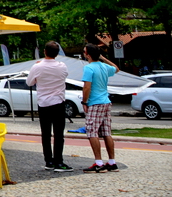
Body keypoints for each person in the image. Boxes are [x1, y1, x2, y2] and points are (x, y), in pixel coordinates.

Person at [27, 40, 72, 172]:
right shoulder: (62, 66)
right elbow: (64, 76)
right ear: (57, 54)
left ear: (44, 52)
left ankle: (48, 161)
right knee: (59, 134)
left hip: (43, 103)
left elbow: (29, 82)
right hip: (58, 102)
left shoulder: (37, 67)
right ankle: (59, 161)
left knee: (45, 133)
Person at [81, 43, 119, 172]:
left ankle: (98, 162)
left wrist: (84, 102)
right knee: (107, 132)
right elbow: (116, 68)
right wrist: (103, 58)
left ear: (88, 55)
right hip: (106, 102)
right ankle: (112, 162)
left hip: (95, 102)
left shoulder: (89, 68)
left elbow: (87, 87)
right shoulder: (104, 67)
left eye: (85, 51)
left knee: (92, 132)